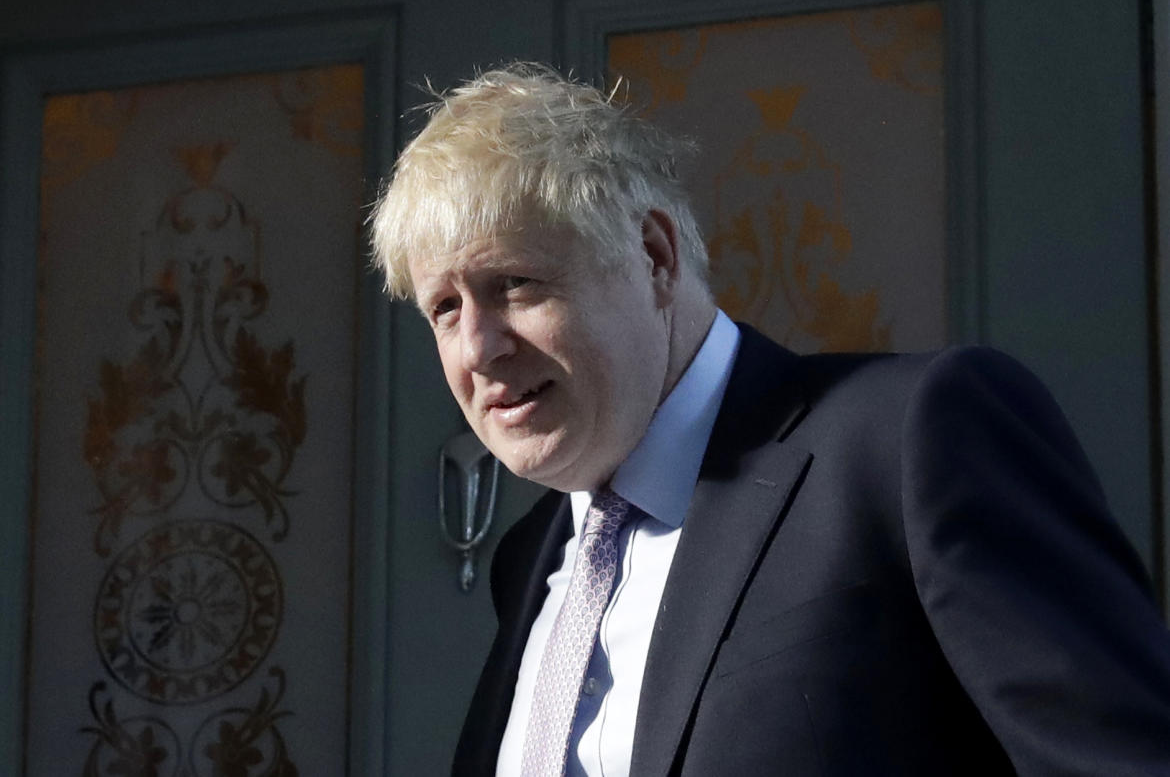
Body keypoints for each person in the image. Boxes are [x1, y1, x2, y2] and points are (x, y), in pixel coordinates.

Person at [369, 63, 1170, 776]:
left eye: (515, 284)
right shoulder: (530, 558)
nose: (477, 347)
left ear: (653, 255)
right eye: (444, 307)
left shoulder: (910, 438)